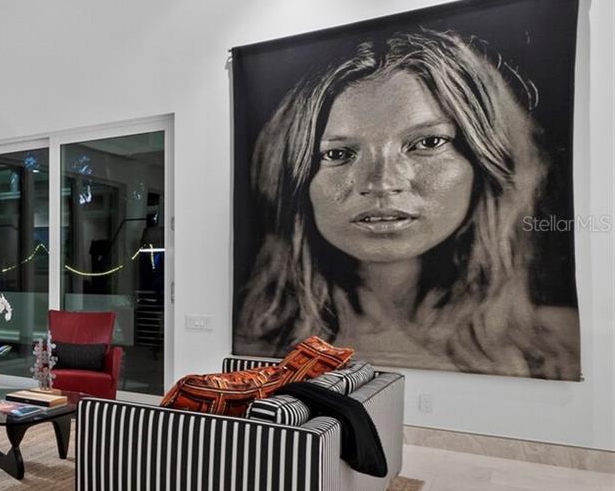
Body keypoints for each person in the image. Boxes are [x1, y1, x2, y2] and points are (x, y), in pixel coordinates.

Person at [237, 28, 579, 379]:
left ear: (485, 161)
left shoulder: (560, 346)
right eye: (339, 154)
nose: (382, 183)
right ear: (293, 179)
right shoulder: (251, 350)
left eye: (428, 142)